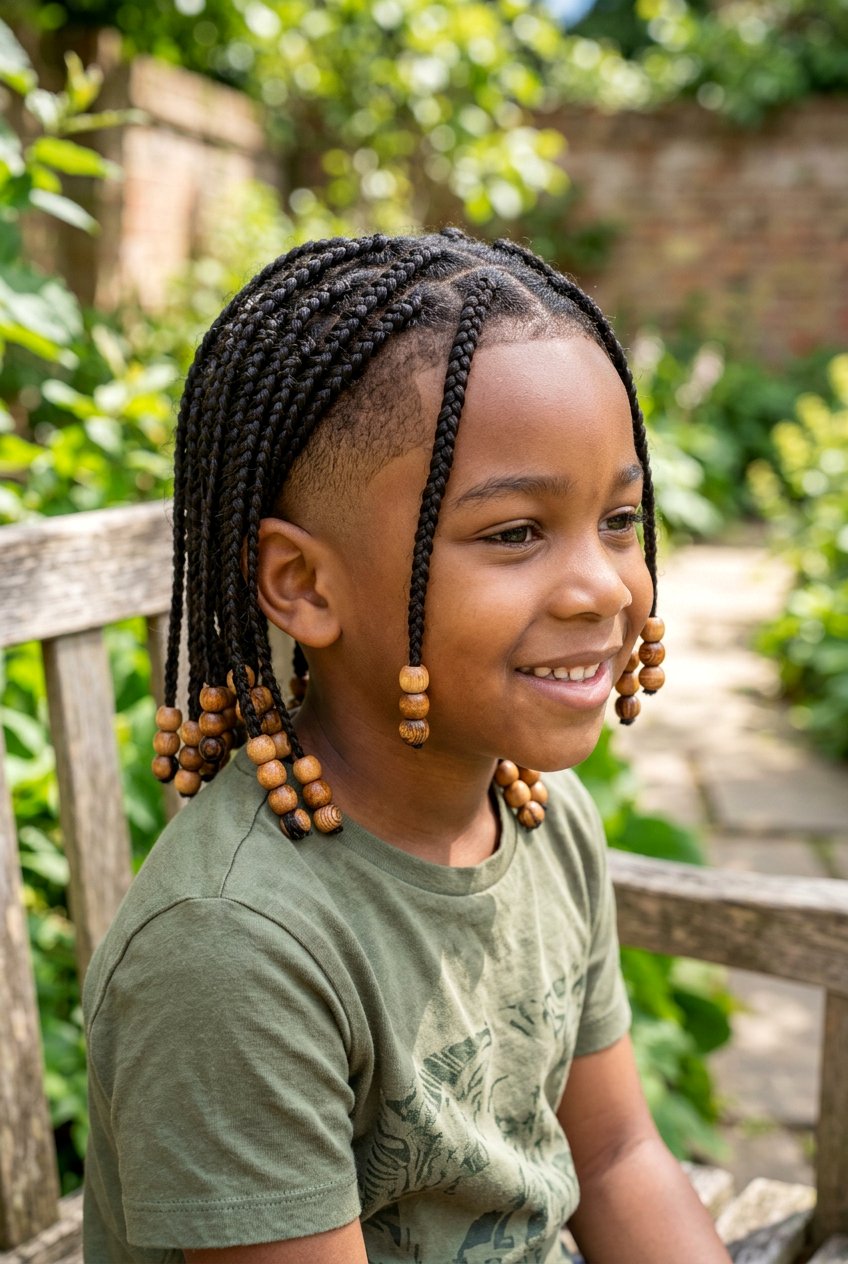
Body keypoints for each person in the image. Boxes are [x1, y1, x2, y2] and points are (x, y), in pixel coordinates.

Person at [82, 229, 732, 1263]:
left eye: (616, 519)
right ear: (302, 585)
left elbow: (613, 1159)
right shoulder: (236, 948)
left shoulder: (539, 818)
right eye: (514, 532)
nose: (603, 585)